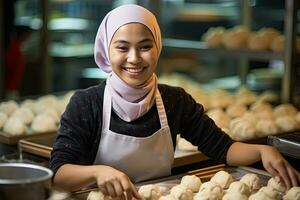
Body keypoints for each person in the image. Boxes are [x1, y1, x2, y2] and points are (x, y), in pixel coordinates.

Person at [50, 4, 300, 199]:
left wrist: (261, 150)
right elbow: (59, 175)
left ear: (157, 48)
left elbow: (223, 149)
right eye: (122, 48)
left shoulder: (174, 101)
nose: (134, 58)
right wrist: (98, 172)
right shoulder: (86, 103)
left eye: (145, 46)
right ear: (107, 50)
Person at [4, 25, 32, 99]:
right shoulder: (14, 48)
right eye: (28, 35)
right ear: (23, 35)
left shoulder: (18, 47)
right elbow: (8, 65)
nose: (29, 38)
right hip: (10, 87)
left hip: (14, 85)